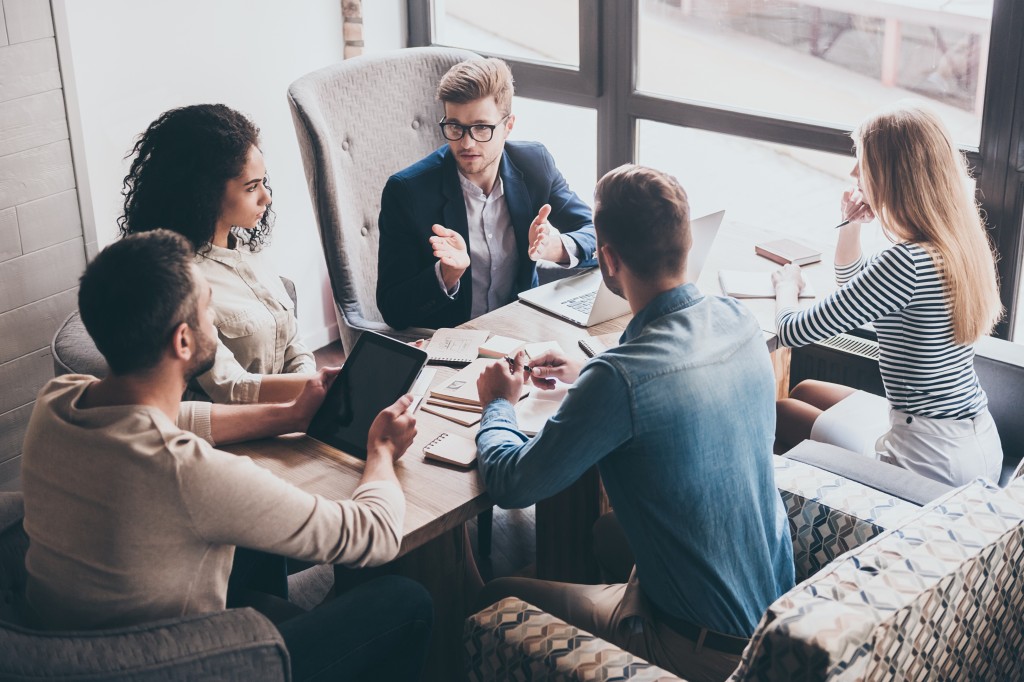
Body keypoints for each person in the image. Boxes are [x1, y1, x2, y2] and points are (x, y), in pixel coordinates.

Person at [20, 230, 431, 681]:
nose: (214, 317)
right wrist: (381, 451)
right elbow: (371, 536)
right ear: (182, 341)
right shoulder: (185, 472)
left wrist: (290, 415)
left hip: (62, 645)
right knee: (405, 599)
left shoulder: (58, 399)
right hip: (177, 664)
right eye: (208, 307)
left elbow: (178, 416)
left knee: (252, 538)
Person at [473, 165, 794, 681]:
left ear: (608, 260)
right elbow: (662, 372)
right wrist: (589, 372)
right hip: (775, 624)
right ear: (687, 244)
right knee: (604, 536)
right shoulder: (737, 319)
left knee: (492, 598)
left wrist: (498, 403)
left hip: (701, 652)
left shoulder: (618, 380)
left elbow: (512, 483)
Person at [772, 102, 1003, 487]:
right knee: (805, 389)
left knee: (781, 411)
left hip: (928, 459)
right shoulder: (958, 243)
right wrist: (850, 226)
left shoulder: (907, 262)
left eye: (862, 162)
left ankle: (806, 522)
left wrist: (784, 288)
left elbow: (792, 332)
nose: (852, 173)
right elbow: (856, 292)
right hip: (974, 440)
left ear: (892, 175)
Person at [377, 57, 598, 330]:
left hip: (522, 334)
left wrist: (554, 248)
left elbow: (596, 233)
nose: (466, 142)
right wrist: (446, 275)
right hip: (449, 343)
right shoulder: (407, 192)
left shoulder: (535, 165)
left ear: (508, 125)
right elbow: (392, 309)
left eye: (482, 127)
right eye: (455, 126)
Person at [119, 104, 315, 404]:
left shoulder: (248, 251)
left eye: (264, 181)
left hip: (295, 411)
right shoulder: (181, 283)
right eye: (251, 187)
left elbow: (294, 344)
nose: (267, 197)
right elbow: (230, 387)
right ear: (204, 194)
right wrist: (320, 387)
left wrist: (315, 391)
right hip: (242, 430)